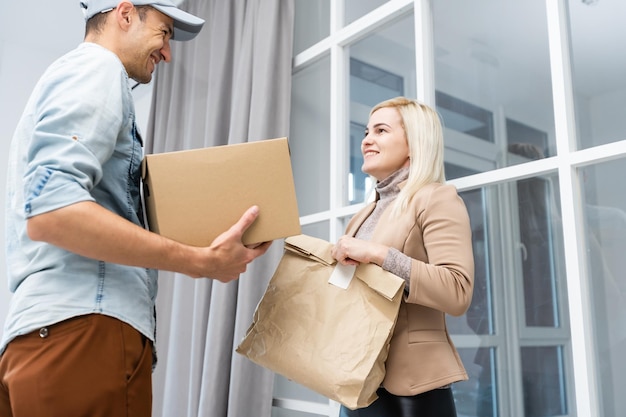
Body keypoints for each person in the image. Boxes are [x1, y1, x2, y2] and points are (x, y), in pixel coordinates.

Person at [0, 1, 271, 416]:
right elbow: (54, 210)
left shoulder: (60, 82)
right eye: (163, 33)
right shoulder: (98, 68)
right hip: (87, 333)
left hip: (46, 337)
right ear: (125, 15)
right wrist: (202, 261)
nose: (168, 52)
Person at [331, 97, 474, 417]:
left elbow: (457, 290)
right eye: (367, 131)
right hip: (359, 377)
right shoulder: (364, 213)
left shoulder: (437, 198)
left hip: (413, 385)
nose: (367, 139)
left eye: (381, 130)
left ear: (414, 143)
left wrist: (380, 255)